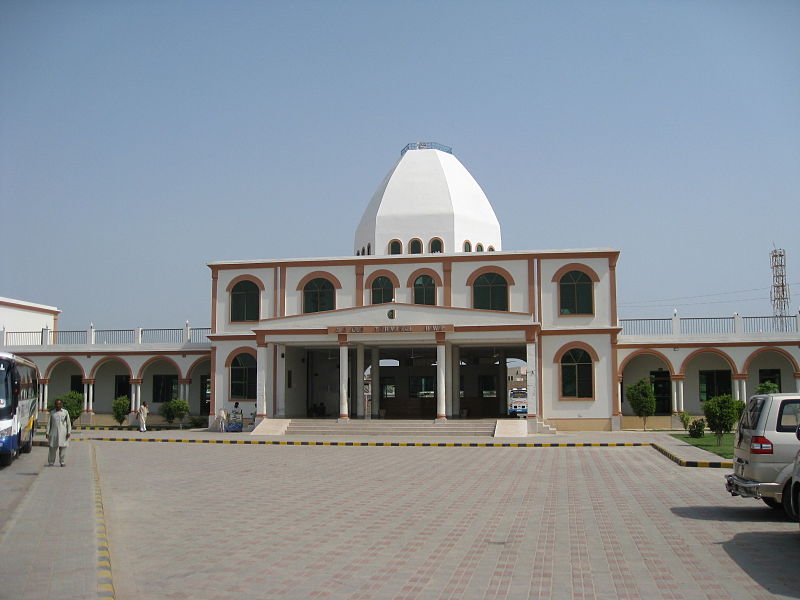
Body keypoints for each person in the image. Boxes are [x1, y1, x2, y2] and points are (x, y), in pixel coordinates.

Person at [46, 399, 71, 467]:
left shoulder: (65, 412)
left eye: (59, 404)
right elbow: (49, 424)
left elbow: (68, 423)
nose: (58, 405)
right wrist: (47, 432)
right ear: (55, 405)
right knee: (52, 448)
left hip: (63, 433)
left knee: (63, 448)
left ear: (61, 405)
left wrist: (68, 432)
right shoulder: (52, 413)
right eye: (57, 404)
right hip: (53, 433)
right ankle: (51, 462)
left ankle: (62, 462)